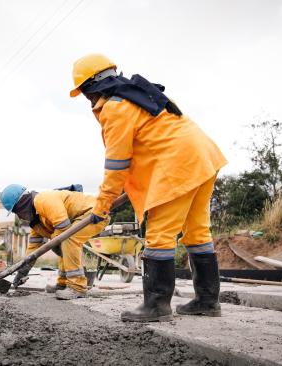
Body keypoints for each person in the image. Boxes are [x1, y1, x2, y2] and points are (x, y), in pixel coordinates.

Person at [69, 54, 228, 322]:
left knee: (159, 235)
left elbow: (117, 164)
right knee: (197, 231)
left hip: (177, 167)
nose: (89, 101)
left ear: (91, 88)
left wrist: (103, 204)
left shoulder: (115, 108)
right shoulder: (139, 93)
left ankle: (156, 305)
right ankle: (207, 300)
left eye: (85, 94)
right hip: (203, 158)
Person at [1, 184, 108, 300]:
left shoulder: (43, 200)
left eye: (17, 212)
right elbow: (32, 250)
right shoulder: (36, 222)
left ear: (22, 205)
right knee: (61, 242)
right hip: (79, 219)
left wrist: (54, 242)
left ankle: (77, 287)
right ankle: (62, 284)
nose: (19, 217)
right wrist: (22, 273)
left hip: (94, 212)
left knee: (67, 239)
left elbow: (64, 228)